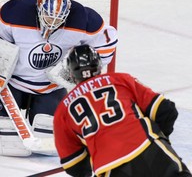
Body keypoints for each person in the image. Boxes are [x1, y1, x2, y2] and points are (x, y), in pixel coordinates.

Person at [0, 0, 118, 136]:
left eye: (58, 19)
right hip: (11, 83)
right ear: (39, 5)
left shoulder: (83, 19)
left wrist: (81, 67)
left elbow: (107, 42)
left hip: (50, 88)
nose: (52, 24)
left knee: (52, 135)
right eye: (49, 17)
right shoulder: (17, 12)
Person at [53, 44, 192, 176]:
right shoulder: (120, 80)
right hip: (149, 150)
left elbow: (74, 165)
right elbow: (166, 111)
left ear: (71, 74)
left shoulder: (62, 110)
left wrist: (94, 157)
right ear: (99, 65)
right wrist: (159, 138)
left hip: (111, 169)